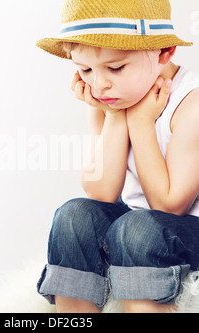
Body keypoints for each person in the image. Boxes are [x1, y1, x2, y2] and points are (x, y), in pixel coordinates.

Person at [36, 0, 199, 313]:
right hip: (138, 231)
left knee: (135, 228)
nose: (99, 84)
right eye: (84, 70)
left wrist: (140, 122)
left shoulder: (190, 103)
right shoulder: (110, 97)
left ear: (164, 52)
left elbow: (169, 204)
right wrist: (112, 116)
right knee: (73, 215)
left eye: (115, 68)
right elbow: (101, 193)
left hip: (187, 231)